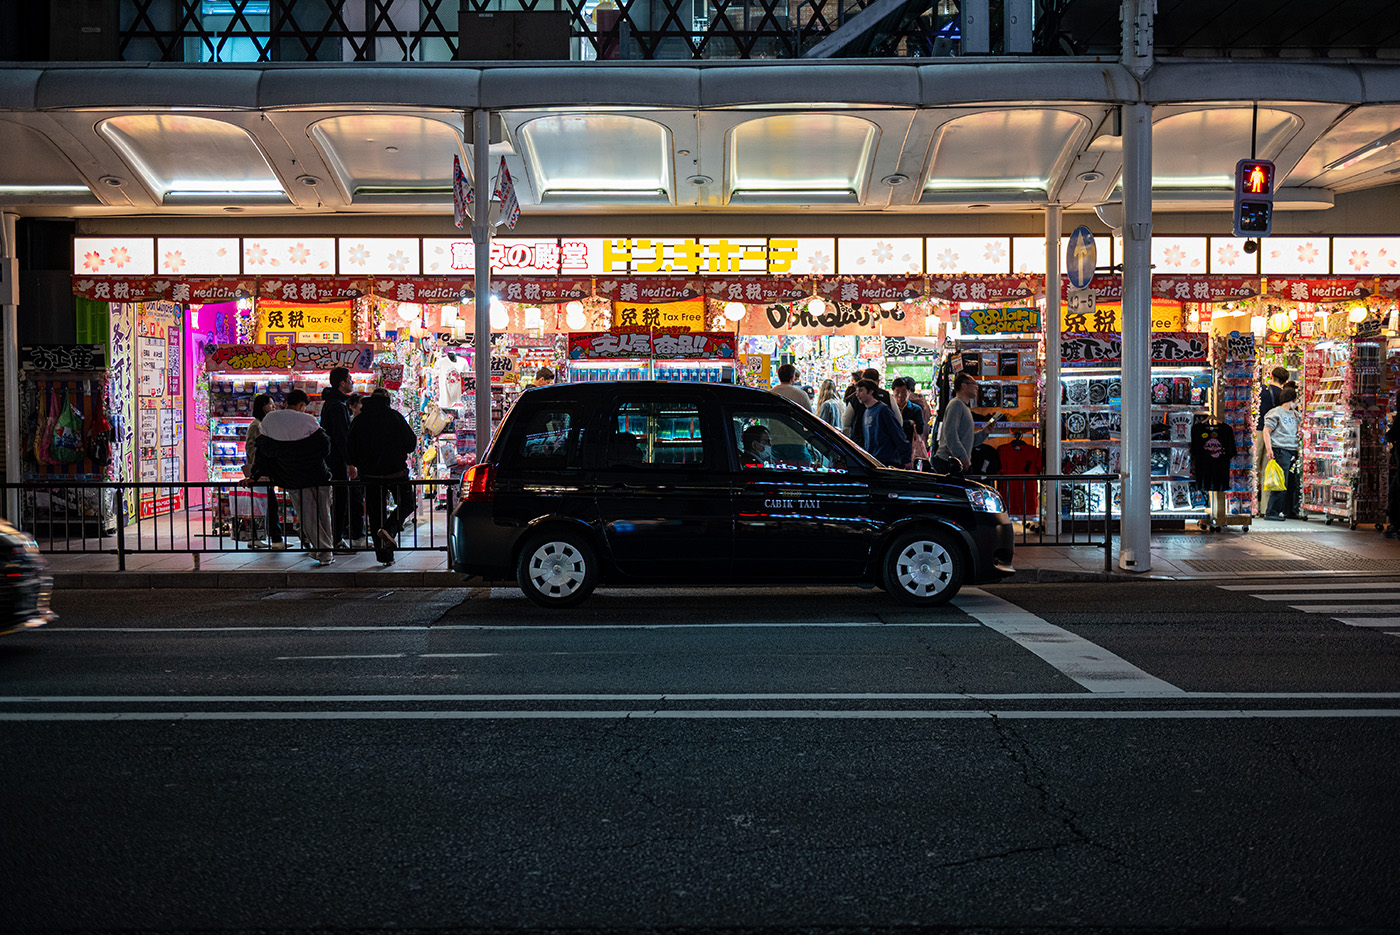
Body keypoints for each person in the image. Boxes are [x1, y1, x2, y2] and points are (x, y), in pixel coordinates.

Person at [249, 389, 335, 566]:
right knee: (324, 514)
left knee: (308, 516)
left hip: (292, 476)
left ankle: (323, 550)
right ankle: (326, 551)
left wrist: (256, 474)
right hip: (318, 474)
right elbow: (325, 447)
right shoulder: (308, 420)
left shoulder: (270, 420)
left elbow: (263, 452)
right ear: (302, 405)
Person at [347, 387, 419, 565]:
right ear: (387, 401)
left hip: (370, 475)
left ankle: (384, 557)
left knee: (375, 513)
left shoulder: (359, 420)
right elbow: (410, 443)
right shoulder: (394, 417)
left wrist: (360, 464)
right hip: (396, 472)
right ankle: (390, 528)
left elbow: (349, 448)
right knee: (407, 503)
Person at [321, 366, 366, 551]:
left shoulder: (335, 403)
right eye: (349, 379)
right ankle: (337, 539)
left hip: (335, 459)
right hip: (337, 461)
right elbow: (341, 437)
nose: (352, 382)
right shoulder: (337, 406)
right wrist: (349, 462)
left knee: (341, 499)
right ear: (342, 382)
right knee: (340, 500)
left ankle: (338, 537)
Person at [243, 393, 285, 550]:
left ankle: (274, 538)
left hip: (264, 472)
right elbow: (251, 448)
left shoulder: (265, 424)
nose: (273, 407)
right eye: (270, 404)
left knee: (269, 504)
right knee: (263, 505)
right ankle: (261, 538)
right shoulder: (256, 425)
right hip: (259, 472)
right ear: (262, 407)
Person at [934, 373, 996, 474]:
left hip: (956, 462)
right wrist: (962, 457)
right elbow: (951, 435)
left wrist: (984, 432)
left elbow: (967, 439)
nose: (976, 387)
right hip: (950, 463)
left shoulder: (963, 406)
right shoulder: (956, 405)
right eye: (974, 384)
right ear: (964, 385)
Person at [1262, 387, 1304, 521]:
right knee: (1280, 481)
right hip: (1280, 450)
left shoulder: (1295, 414)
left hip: (1293, 450)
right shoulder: (1275, 413)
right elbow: (1266, 431)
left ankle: (1289, 510)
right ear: (1292, 400)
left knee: (1293, 482)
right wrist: (1269, 449)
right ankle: (1272, 512)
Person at [854, 379, 910, 468]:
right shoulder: (866, 412)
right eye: (857, 391)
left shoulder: (883, 410)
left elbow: (897, 433)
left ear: (870, 391)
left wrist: (906, 458)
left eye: (861, 391)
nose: (857, 395)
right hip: (873, 462)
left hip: (887, 461)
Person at [842, 368, 892, 443]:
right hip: (883, 443)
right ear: (878, 381)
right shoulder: (887, 396)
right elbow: (898, 420)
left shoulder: (855, 398)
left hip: (860, 443)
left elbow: (845, 421)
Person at [891, 377, 928, 470]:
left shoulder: (916, 409)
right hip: (893, 451)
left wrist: (900, 424)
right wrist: (908, 423)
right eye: (897, 391)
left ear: (909, 392)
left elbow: (920, 429)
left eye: (903, 391)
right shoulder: (889, 409)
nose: (900, 395)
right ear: (893, 392)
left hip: (910, 450)